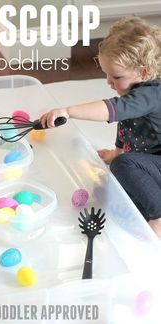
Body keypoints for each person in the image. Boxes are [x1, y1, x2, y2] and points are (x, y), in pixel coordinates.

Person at [40, 16, 161, 238]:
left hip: (156, 165)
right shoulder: (135, 98)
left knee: (124, 165)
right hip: (152, 167)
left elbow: (114, 110)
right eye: (107, 74)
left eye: (116, 76)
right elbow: (126, 124)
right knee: (114, 189)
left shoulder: (152, 94)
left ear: (144, 72)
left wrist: (69, 111)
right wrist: (116, 151)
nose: (108, 81)